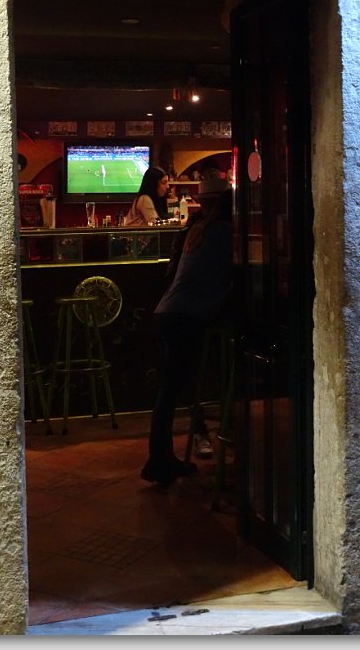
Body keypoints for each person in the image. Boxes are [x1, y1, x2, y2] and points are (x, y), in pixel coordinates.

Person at [141, 175, 233, 487]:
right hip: (185, 318)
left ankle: (163, 458)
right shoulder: (223, 232)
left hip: (167, 313)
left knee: (171, 392)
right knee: (174, 392)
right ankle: (159, 461)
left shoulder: (196, 229)